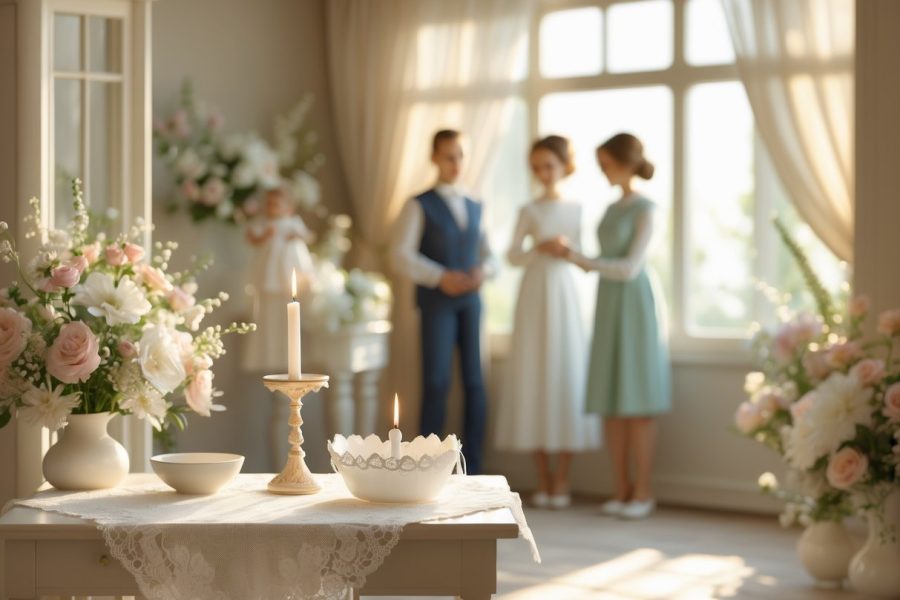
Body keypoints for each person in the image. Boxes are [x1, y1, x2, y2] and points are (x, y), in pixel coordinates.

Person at [563, 133, 671, 520]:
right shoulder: (609, 210)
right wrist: (576, 257)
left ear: (624, 163)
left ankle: (643, 489)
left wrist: (579, 259)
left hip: (635, 303)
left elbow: (629, 267)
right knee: (612, 399)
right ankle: (620, 489)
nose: (603, 172)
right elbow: (607, 262)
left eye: (606, 163)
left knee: (638, 403)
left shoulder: (648, 209)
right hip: (608, 304)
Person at [495, 135, 601, 509]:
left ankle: (561, 479)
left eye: (549, 166)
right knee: (534, 374)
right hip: (535, 293)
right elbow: (511, 255)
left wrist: (566, 251)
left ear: (564, 166)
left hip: (565, 294)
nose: (543, 173)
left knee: (566, 374)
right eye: (537, 167)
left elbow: (587, 258)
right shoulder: (529, 209)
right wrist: (539, 248)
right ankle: (542, 478)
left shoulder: (577, 209)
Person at [390, 129, 494, 474]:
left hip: (472, 301)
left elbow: (491, 257)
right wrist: (440, 277)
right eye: (449, 156)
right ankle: (428, 468)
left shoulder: (477, 204)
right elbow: (400, 255)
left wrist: (483, 272)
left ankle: (473, 468)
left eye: (461, 156)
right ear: (435, 158)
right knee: (436, 382)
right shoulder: (419, 204)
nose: (456, 164)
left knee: (475, 382)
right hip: (436, 302)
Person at [243, 186, 315, 372]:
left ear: (288, 208)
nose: (270, 207)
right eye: (268, 204)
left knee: (289, 308)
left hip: (287, 270)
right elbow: (252, 239)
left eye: (275, 204)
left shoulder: (293, 222)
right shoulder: (265, 223)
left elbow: (308, 236)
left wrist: (297, 235)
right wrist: (264, 236)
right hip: (269, 273)